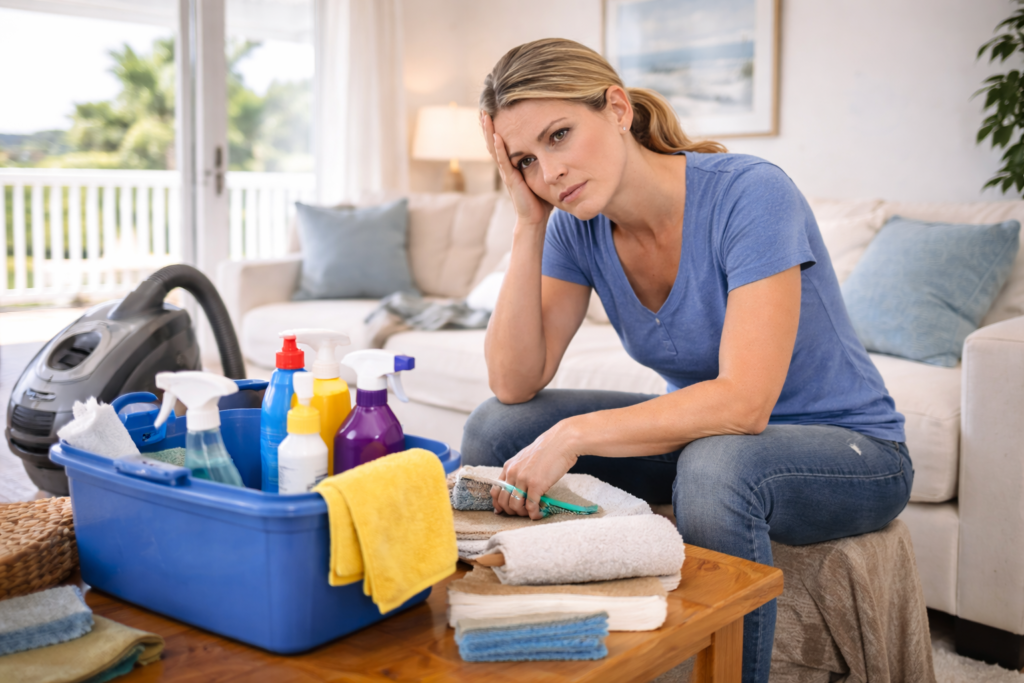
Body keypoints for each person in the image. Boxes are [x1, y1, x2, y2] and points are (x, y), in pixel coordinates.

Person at [460, 37, 912, 683]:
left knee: (715, 465)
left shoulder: (750, 194)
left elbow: (742, 403)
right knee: (496, 428)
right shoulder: (571, 224)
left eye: (559, 135)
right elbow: (513, 380)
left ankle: (712, 671)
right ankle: (539, 645)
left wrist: (573, 433)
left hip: (852, 449)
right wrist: (526, 223)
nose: (549, 172)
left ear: (617, 107)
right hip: (711, 439)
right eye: (527, 159)